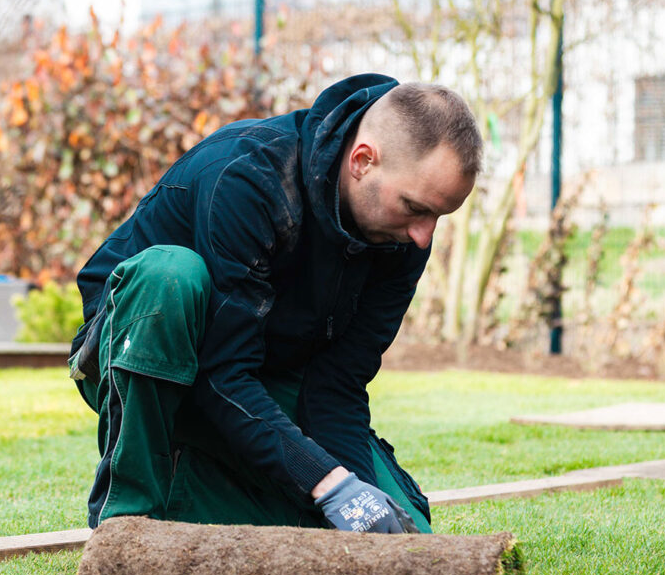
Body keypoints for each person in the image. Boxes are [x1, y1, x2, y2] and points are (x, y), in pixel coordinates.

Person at [69, 73, 481, 536]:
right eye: (415, 207)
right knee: (171, 276)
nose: (424, 235)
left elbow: (337, 383)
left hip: (259, 370)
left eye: (439, 217)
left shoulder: (402, 237)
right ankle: (128, 522)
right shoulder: (248, 176)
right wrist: (324, 482)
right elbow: (222, 371)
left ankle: (192, 491)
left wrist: (353, 492)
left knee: (401, 532)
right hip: (142, 351)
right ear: (363, 160)